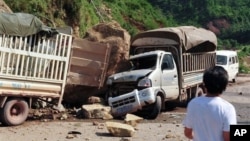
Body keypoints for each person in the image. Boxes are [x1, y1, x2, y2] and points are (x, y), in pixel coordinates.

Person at [182, 66, 237, 141]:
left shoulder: (193, 104)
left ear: (204, 84)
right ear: (225, 86)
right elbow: (227, 137)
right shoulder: (228, 108)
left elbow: (187, 133)